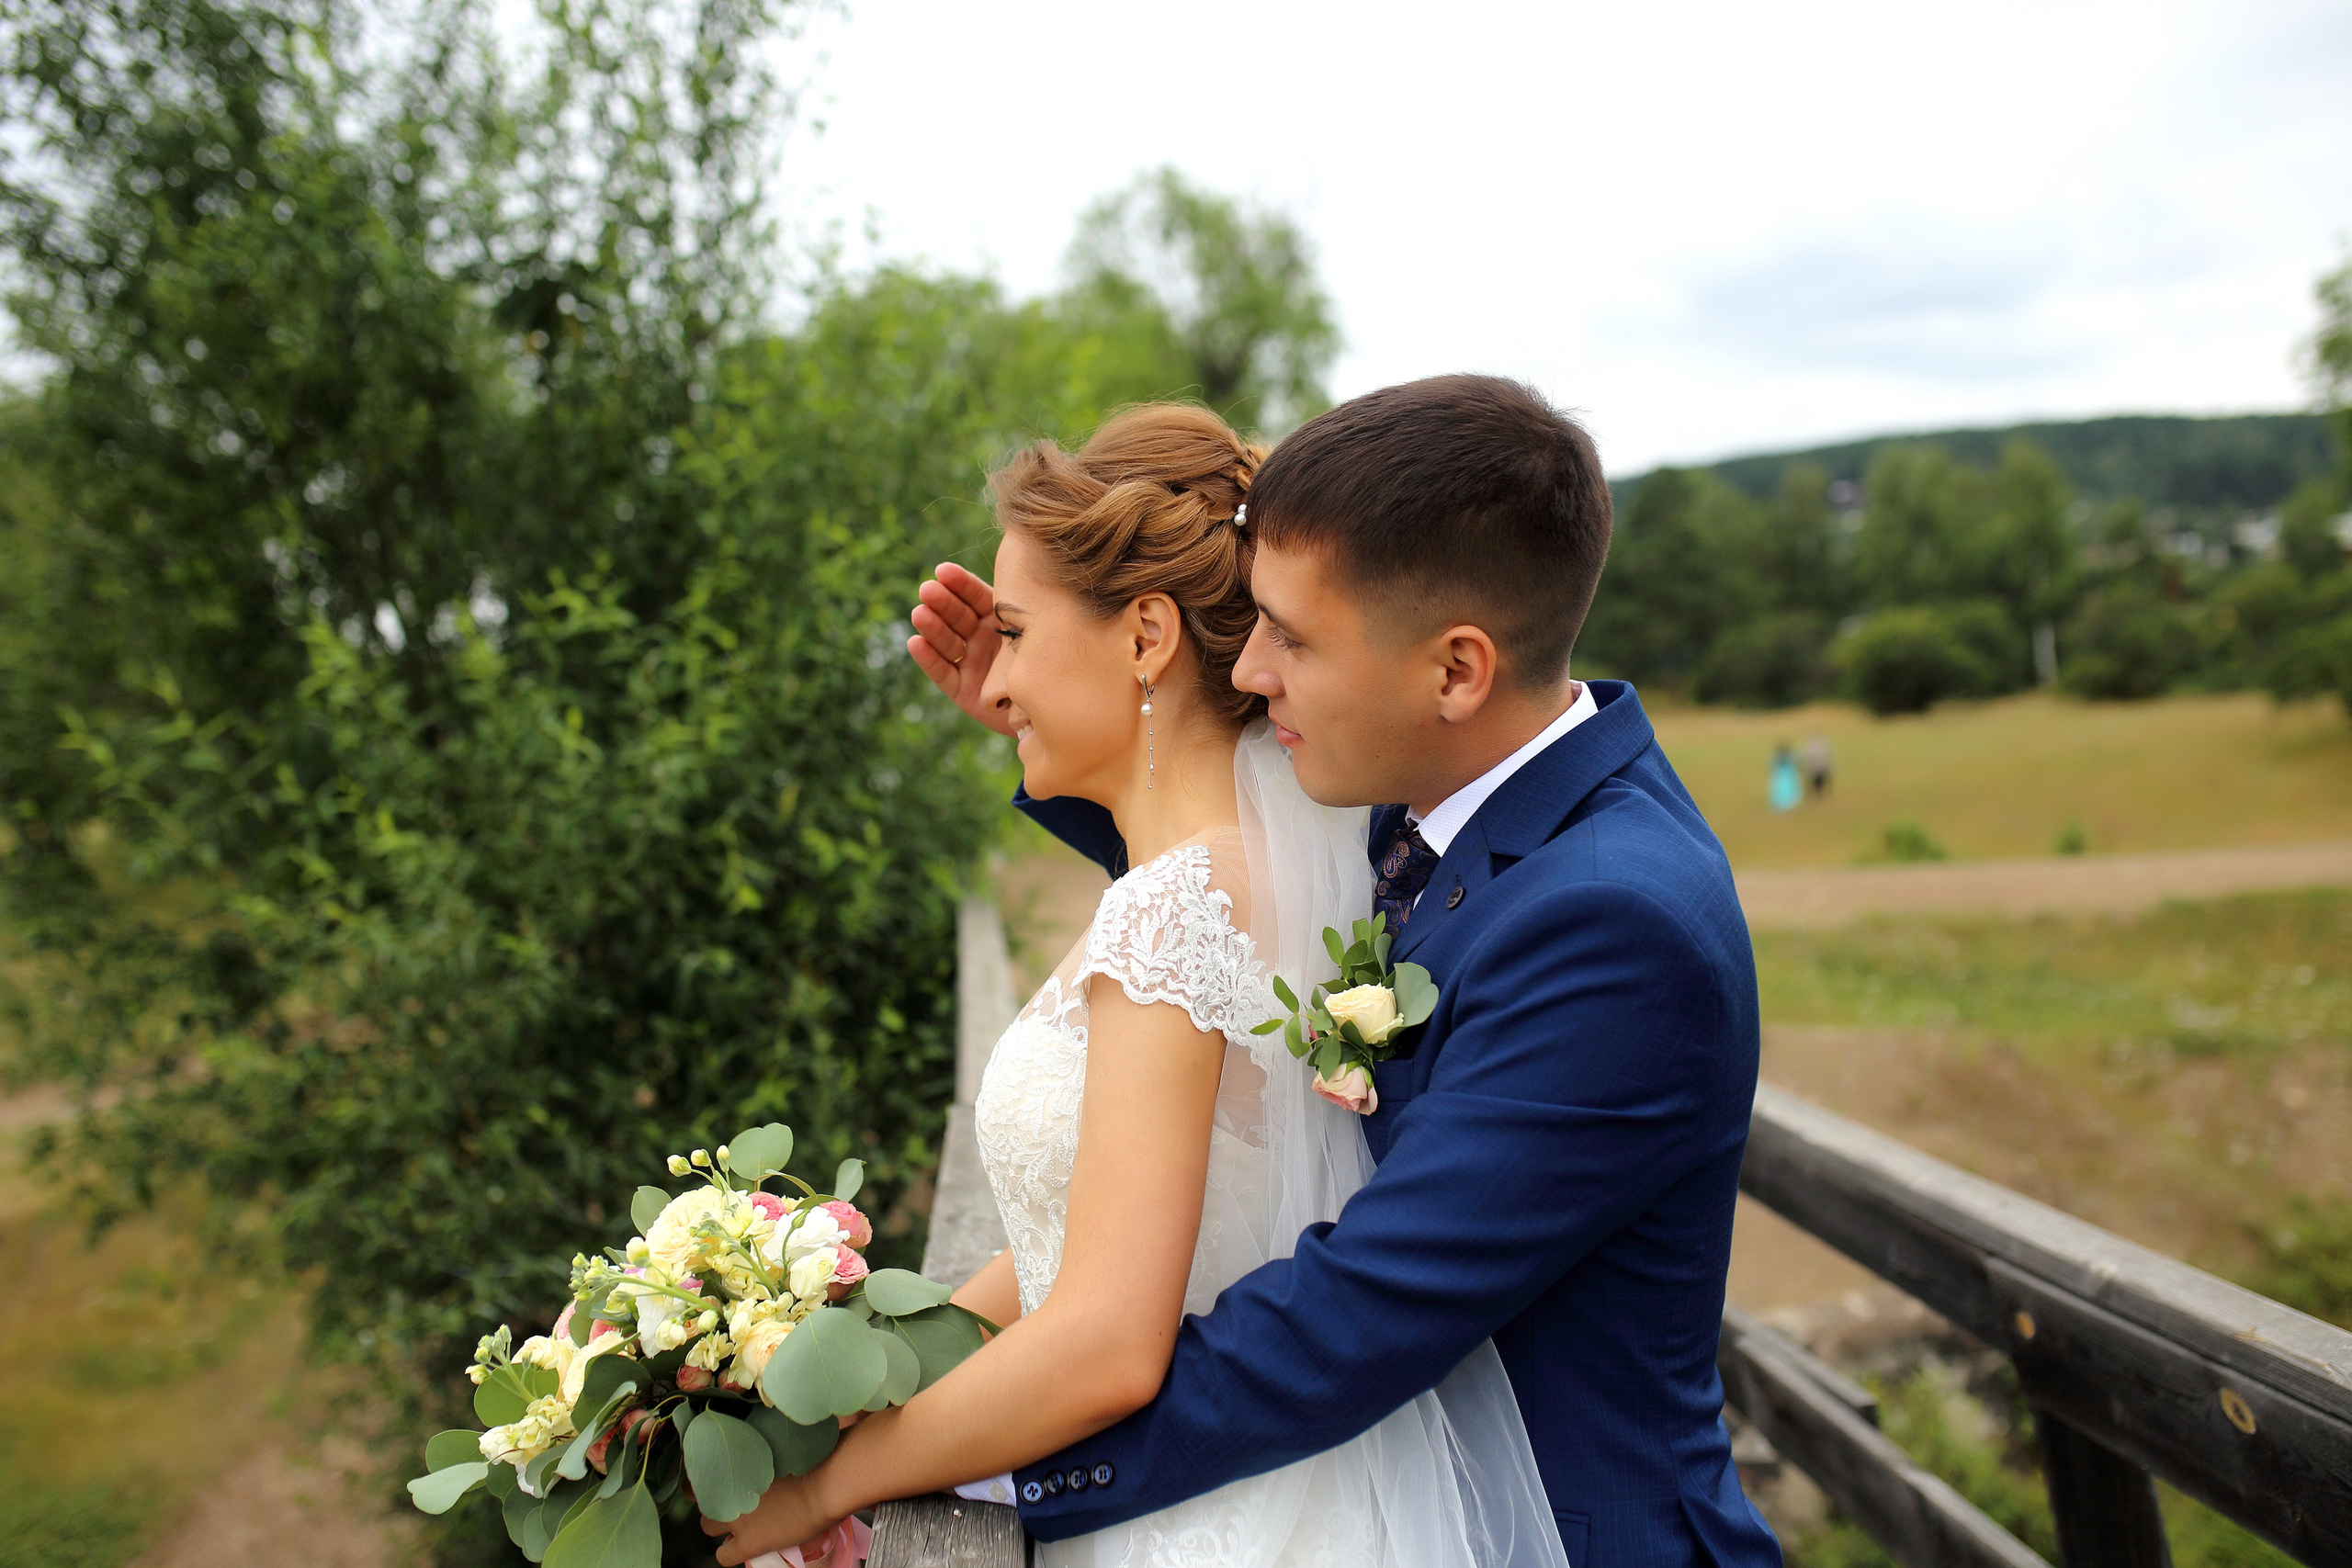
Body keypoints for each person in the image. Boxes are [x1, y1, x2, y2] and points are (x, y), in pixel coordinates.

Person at [707, 376, 1779, 1568]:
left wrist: (912, 1461)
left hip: (1563, 1528)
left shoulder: (1612, 923)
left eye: (1296, 636)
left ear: (1457, 670)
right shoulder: (1436, 813)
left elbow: (1346, 1318)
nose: (1253, 670)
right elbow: (1229, 919)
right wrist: (1070, 721)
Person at [1769, 744, 1802, 812]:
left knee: (1782, 791)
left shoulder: (1778, 758)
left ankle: (1782, 805)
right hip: (1787, 777)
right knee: (1786, 791)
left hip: (1782, 778)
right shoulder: (1790, 757)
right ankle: (1785, 805)